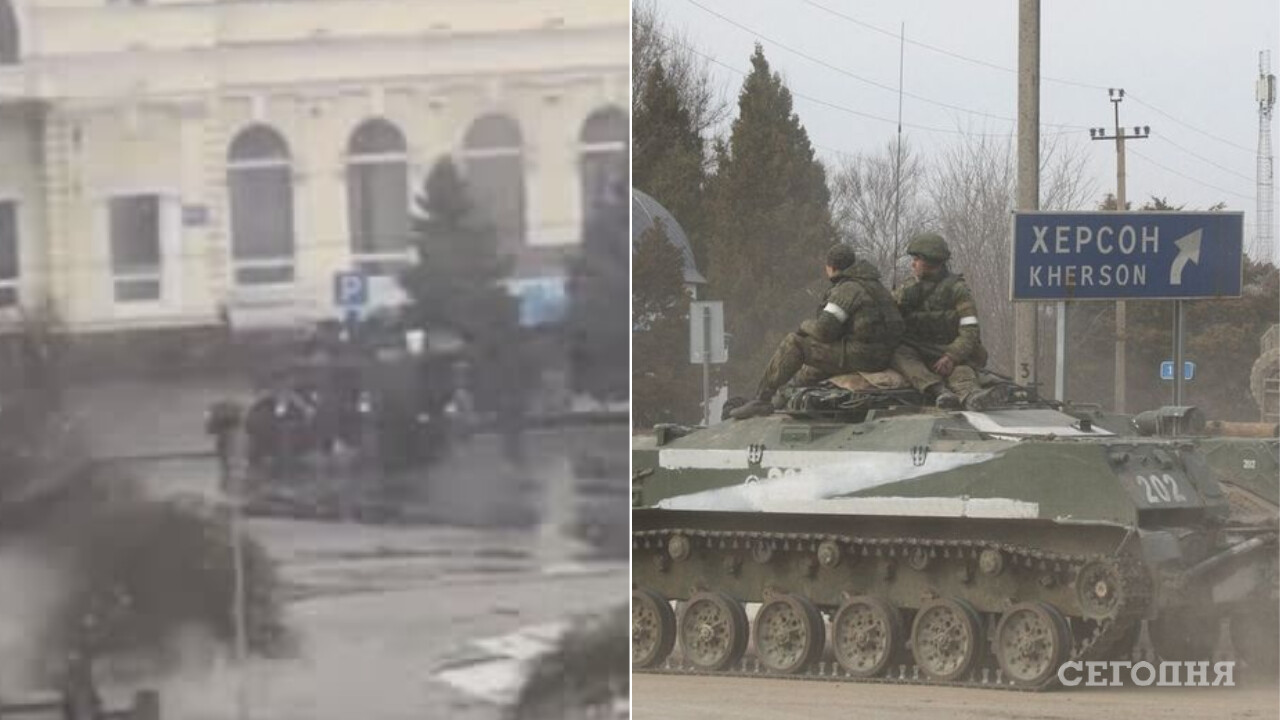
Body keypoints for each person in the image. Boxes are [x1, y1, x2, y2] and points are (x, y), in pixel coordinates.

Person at [730, 244, 904, 420]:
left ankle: (762, 399)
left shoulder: (847, 289)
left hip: (862, 356)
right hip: (882, 354)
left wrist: (804, 325)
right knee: (810, 369)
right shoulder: (876, 286)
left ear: (831, 267)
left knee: (795, 343)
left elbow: (824, 331)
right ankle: (781, 400)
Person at [891, 232, 1004, 410]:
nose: (913, 264)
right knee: (898, 354)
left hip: (949, 351)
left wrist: (952, 356)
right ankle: (940, 391)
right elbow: (890, 319)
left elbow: (970, 330)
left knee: (961, 372)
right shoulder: (907, 288)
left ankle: (971, 396)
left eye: (916, 259)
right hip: (918, 352)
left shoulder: (958, 290)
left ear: (929, 262)